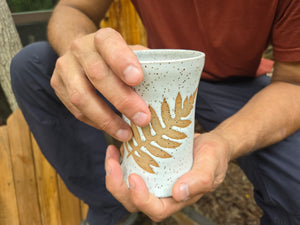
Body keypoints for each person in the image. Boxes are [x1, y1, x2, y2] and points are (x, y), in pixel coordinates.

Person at [10, 0, 300, 224]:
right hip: (151, 78)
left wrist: (224, 141)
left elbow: (293, 82)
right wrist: (82, 52)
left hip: (238, 84)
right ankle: (109, 204)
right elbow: (73, 8)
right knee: (33, 65)